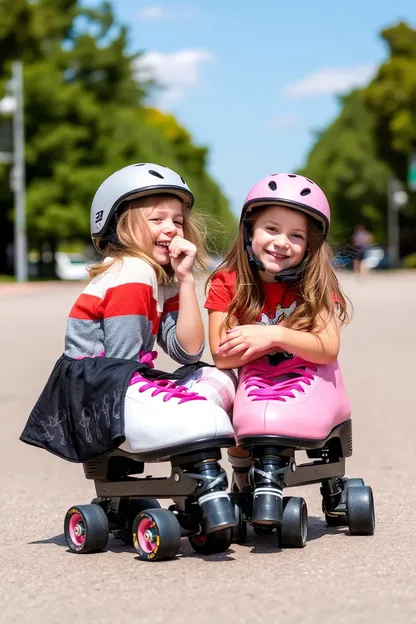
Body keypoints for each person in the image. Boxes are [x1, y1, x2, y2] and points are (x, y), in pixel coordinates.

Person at [20, 163, 236, 462]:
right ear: (120, 225)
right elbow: (121, 364)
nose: (172, 228)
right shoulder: (133, 271)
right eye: (157, 219)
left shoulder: (160, 278)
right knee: (202, 405)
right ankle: (180, 419)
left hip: (121, 382)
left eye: (178, 220)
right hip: (97, 394)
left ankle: (182, 417)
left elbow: (187, 352)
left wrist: (185, 280)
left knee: (221, 378)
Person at [205, 173, 350, 490]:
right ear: (249, 230)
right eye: (271, 229)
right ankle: (242, 471)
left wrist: (274, 336)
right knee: (223, 388)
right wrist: (291, 340)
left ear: (311, 244)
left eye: (296, 235)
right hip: (252, 381)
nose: (282, 242)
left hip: (301, 377)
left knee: (327, 372)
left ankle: (330, 470)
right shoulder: (228, 281)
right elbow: (222, 355)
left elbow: (327, 347)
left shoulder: (314, 284)